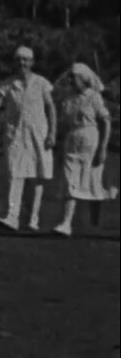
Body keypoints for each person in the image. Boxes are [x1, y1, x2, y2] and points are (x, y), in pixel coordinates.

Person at [0, 46, 56, 232]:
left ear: (32, 62)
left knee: (37, 176)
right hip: (15, 135)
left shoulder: (42, 83)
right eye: (19, 60)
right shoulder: (8, 84)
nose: (22, 63)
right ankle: (12, 217)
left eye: (26, 60)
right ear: (15, 62)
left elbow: (51, 108)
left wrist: (52, 133)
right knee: (15, 174)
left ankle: (33, 220)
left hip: (39, 135)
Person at [51, 63, 112, 237]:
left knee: (93, 180)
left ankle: (95, 217)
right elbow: (64, 123)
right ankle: (66, 223)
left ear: (83, 79)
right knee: (70, 179)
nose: (70, 80)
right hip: (72, 139)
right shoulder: (68, 98)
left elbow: (106, 122)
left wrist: (103, 148)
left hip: (90, 139)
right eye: (70, 77)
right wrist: (59, 146)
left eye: (73, 77)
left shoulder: (94, 97)